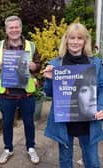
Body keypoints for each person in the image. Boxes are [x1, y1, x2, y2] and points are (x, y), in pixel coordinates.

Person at [42, 23, 103, 168]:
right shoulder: (56, 63)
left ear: (85, 41)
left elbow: (101, 87)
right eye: (72, 38)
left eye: (79, 38)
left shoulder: (95, 63)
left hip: (89, 121)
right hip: (65, 122)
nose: (75, 42)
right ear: (66, 40)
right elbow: (49, 93)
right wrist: (50, 79)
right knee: (65, 160)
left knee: (93, 162)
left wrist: (100, 106)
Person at [0, 15, 41, 164]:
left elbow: (39, 64)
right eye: (11, 27)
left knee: (29, 123)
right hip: (7, 93)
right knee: (6, 123)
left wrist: (34, 66)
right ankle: (8, 149)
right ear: (6, 30)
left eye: (16, 26)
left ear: (21, 27)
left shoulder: (31, 45)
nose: (14, 30)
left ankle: (31, 148)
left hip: (26, 93)